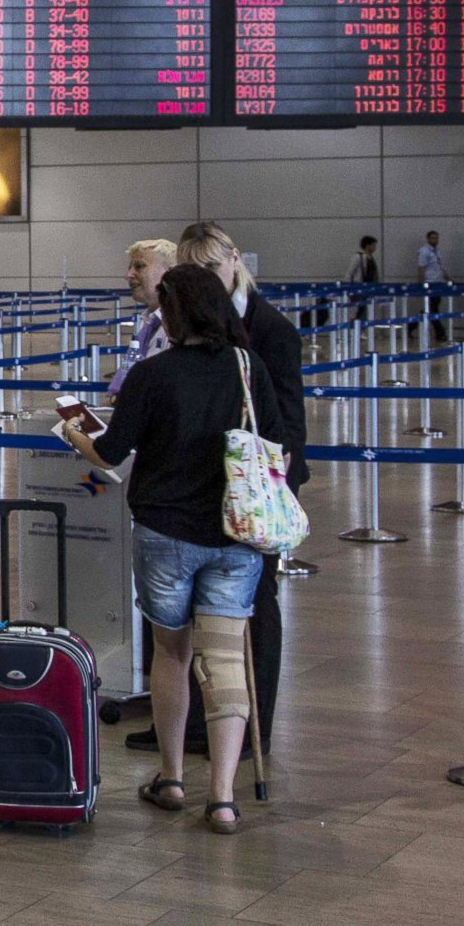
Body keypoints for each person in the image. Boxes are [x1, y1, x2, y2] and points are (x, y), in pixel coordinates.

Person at [65, 263, 283, 836]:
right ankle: (224, 797)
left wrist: (74, 434)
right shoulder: (247, 368)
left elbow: (110, 454)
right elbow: (275, 441)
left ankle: (171, 777)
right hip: (234, 533)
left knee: (173, 654)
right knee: (227, 661)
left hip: (165, 532)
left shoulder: (153, 374)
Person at [165, 221, 306, 755]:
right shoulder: (195, 326)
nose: (204, 278)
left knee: (255, 606)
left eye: (211, 266)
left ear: (235, 261)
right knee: (205, 610)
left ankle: (254, 727)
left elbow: (290, 422)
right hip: (205, 487)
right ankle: (203, 722)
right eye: (192, 269)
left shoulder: (272, 330)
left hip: (258, 488)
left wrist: (272, 488)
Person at [109, 239, 176, 397]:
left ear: (170, 273)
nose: (129, 275)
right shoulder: (147, 323)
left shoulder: (179, 327)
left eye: (139, 266)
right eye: (130, 268)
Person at [418, 229, 449, 341]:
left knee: (430, 308)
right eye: (432, 238)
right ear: (428, 239)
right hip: (429, 283)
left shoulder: (437, 251)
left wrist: (448, 278)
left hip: (438, 283)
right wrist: (421, 284)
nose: (435, 240)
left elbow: (440, 267)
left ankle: (411, 326)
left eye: (436, 238)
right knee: (432, 309)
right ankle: (440, 333)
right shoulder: (424, 251)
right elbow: (421, 268)